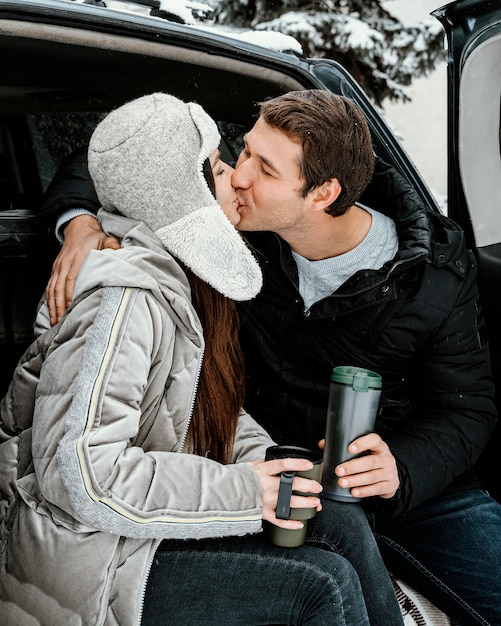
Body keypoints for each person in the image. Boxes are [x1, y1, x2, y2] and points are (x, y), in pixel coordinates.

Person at [38, 89, 501, 625]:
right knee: (321, 588)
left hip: (406, 490)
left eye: (265, 169)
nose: (237, 176)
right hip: (264, 471)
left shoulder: (432, 277)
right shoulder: (235, 232)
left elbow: (468, 409)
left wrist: (403, 467)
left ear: (323, 193)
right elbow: (125, 153)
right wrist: (79, 223)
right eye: (243, 153)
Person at [0, 93, 376, 626]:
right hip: (87, 563)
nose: (239, 179)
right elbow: (83, 479)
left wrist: (264, 460)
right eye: (223, 166)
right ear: (185, 195)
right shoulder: (128, 299)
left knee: (334, 514)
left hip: (125, 535)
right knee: (320, 585)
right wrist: (248, 493)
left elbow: (190, 403)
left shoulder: (177, 281)